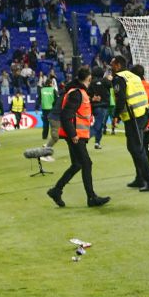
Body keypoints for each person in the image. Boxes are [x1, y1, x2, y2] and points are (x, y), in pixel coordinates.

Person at [46, 67, 110, 208]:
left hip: (76, 135)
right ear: (89, 78)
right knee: (86, 163)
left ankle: (56, 190)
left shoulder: (78, 92)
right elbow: (66, 114)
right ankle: (91, 197)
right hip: (76, 136)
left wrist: (92, 101)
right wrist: (73, 134)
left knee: (78, 164)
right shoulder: (77, 93)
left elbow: (77, 110)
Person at [110, 55, 149, 192]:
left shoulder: (119, 78)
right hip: (142, 115)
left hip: (133, 118)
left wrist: (115, 116)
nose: (111, 67)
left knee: (137, 149)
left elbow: (120, 99)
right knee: (134, 148)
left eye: (112, 64)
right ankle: (141, 178)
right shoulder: (134, 77)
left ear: (118, 65)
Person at [131, 63, 149, 171]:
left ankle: (145, 174)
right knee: (144, 147)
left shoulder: (135, 87)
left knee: (140, 149)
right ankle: (143, 175)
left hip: (142, 121)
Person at [90, 68, 112, 150]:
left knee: (99, 124)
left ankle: (97, 142)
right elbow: (111, 85)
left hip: (94, 106)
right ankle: (83, 140)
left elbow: (88, 93)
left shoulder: (91, 82)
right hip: (103, 106)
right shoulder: (105, 81)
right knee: (98, 125)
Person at [39, 77, 58, 142]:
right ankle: (54, 136)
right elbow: (56, 100)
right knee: (53, 124)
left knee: (45, 123)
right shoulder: (53, 90)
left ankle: (44, 136)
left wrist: (36, 107)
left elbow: (39, 99)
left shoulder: (42, 90)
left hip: (44, 108)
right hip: (52, 109)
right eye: (52, 83)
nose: (53, 84)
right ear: (50, 84)